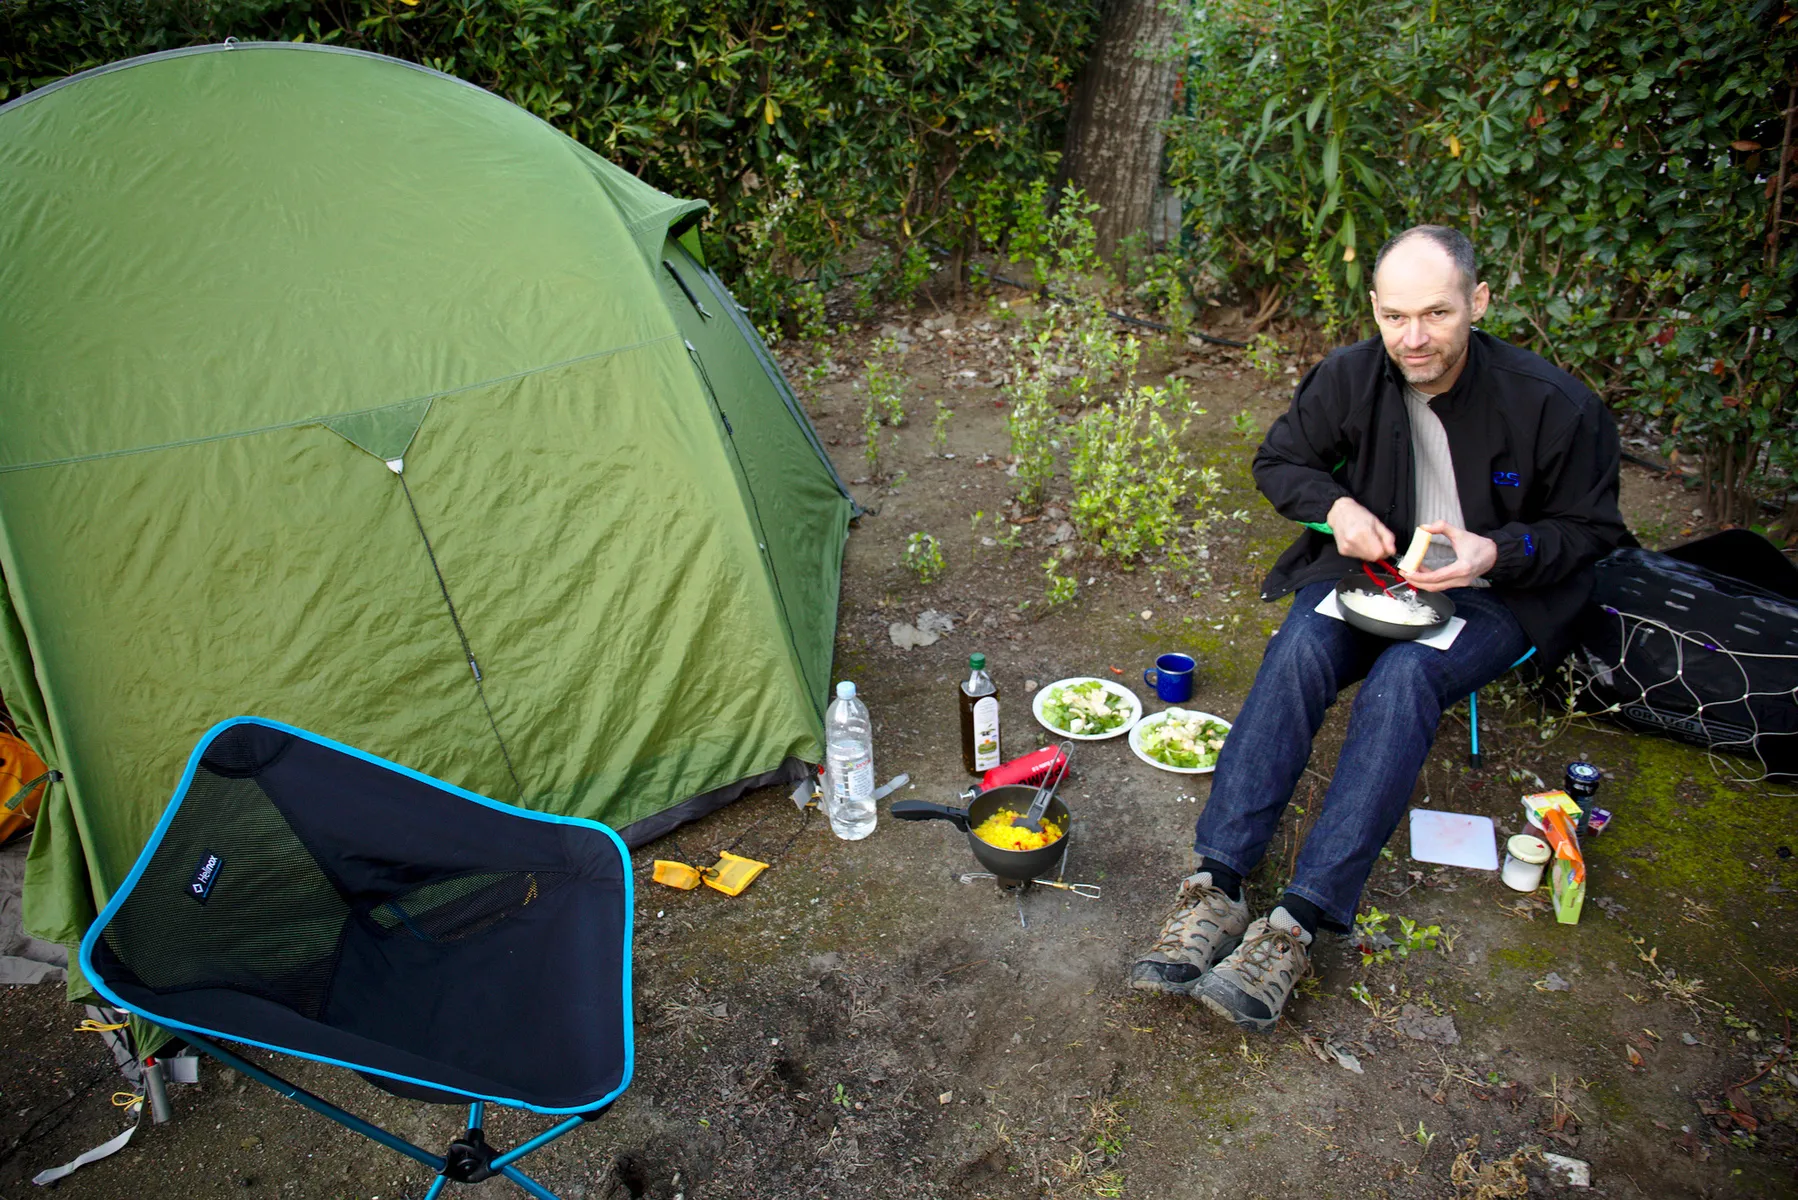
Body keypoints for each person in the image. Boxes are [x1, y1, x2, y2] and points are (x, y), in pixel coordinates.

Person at [1128, 225, 1628, 1030]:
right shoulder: (1351, 375)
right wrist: (1335, 509)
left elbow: (1593, 531)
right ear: (1374, 309)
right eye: (1395, 316)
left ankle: (1298, 922)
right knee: (1299, 647)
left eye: (1436, 313)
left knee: (1405, 679)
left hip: (1496, 594)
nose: (1414, 337)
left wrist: (1496, 549)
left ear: (1478, 302)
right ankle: (1215, 883)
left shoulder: (1554, 405)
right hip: (1375, 574)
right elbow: (1278, 461)